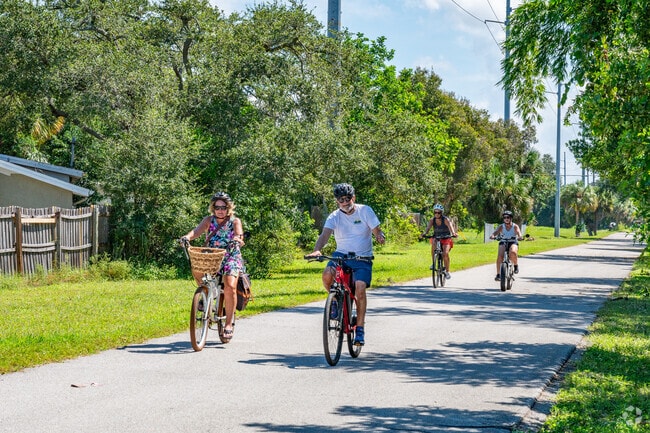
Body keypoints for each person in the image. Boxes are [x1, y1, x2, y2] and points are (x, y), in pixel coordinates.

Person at [305, 183, 385, 346]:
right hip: (341, 255)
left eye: (348, 198)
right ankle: (335, 301)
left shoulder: (365, 211)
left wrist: (379, 236)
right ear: (337, 201)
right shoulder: (334, 216)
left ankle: (360, 329)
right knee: (327, 274)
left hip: (362, 257)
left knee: (360, 288)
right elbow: (325, 235)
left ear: (353, 198)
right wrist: (317, 250)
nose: (345, 202)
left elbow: (377, 229)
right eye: (341, 199)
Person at [181, 192, 245, 341]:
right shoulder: (209, 220)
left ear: (228, 208)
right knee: (197, 270)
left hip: (230, 256)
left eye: (223, 207)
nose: (220, 210)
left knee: (230, 286)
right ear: (213, 208)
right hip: (212, 256)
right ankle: (205, 296)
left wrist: (237, 240)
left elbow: (239, 235)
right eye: (217, 207)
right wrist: (187, 237)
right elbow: (196, 232)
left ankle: (228, 324)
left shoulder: (235, 221)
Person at [420, 203, 458, 279]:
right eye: (435, 212)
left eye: (438, 212)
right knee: (433, 243)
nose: (437, 214)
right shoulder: (432, 220)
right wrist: (424, 233)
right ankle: (434, 263)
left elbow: (451, 227)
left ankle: (447, 271)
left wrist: (453, 233)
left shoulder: (446, 220)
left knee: (445, 254)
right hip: (437, 237)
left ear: (441, 213)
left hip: (446, 238)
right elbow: (428, 228)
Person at [489, 210, 523, 281]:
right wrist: (492, 236)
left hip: (513, 241)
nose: (506, 219)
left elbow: (519, 233)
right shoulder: (501, 226)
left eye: (508, 217)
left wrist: (520, 237)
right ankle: (498, 274)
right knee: (500, 256)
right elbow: (495, 232)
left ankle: (516, 265)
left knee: (513, 252)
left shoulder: (515, 226)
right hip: (503, 241)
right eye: (504, 217)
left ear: (511, 218)